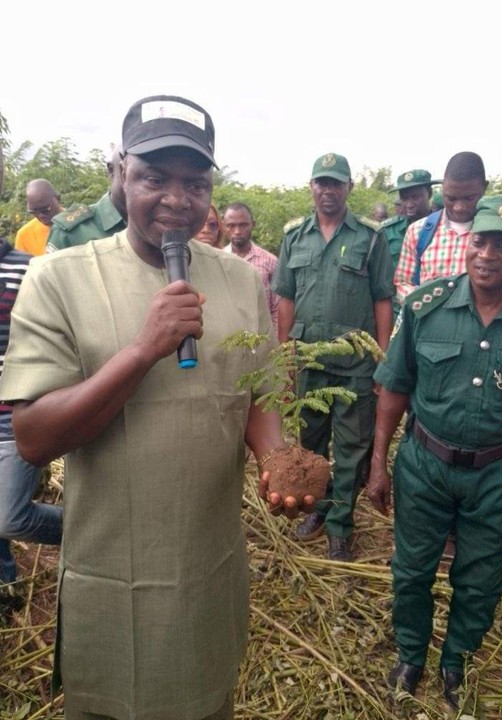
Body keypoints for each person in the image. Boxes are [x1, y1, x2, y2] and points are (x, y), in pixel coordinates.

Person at [0, 93, 311, 720]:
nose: (176, 198)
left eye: (194, 182)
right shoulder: (57, 278)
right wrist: (141, 351)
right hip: (113, 564)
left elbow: (258, 392)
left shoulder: (240, 279)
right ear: (119, 174)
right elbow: (33, 437)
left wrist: (276, 453)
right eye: (153, 177)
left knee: (205, 698)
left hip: (208, 558)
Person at [367, 195, 502, 711]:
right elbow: (394, 388)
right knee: (411, 571)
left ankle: (456, 661)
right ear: (466, 242)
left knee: (479, 579)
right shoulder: (424, 306)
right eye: (480, 240)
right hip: (424, 466)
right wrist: (378, 463)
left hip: (498, 475)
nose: (488, 254)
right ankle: (411, 654)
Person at [273, 152, 394, 562]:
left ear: (349, 188)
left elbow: (382, 300)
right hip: (309, 360)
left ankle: (341, 526)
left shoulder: (370, 237)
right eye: (321, 183)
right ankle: (317, 511)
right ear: (312, 187)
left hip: (356, 364)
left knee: (351, 450)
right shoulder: (294, 237)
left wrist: (383, 358)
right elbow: (285, 300)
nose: (328, 190)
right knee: (310, 445)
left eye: (336, 183)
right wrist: (286, 356)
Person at [0, 150, 62, 608]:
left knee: (9, 515)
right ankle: (6, 589)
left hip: (12, 414)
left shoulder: (29, 268)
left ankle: (103, 529)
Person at [394, 151, 488, 306]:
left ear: (484, 188)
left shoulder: (498, 235)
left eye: (469, 198)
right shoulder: (417, 231)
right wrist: (424, 304)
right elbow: (403, 282)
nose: (459, 207)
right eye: (451, 198)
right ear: (442, 189)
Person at [46, 146, 127, 252]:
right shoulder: (71, 234)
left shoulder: (153, 225)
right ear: (111, 170)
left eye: (155, 179)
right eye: (128, 173)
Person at [223, 202, 280, 334]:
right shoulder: (217, 260)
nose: (237, 231)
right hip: (227, 340)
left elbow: (277, 308)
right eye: (231, 226)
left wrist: (275, 343)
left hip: (261, 338)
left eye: (243, 225)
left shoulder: (270, 261)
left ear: (252, 225)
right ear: (224, 227)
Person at [382, 169, 440, 270]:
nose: (409, 205)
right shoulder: (388, 230)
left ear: (429, 194)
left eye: (415, 197)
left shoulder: (442, 226)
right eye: (404, 199)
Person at [14, 179, 63, 255]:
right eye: (34, 212)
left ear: (57, 198)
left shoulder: (79, 224)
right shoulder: (24, 235)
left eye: (45, 210)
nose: (41, 216)